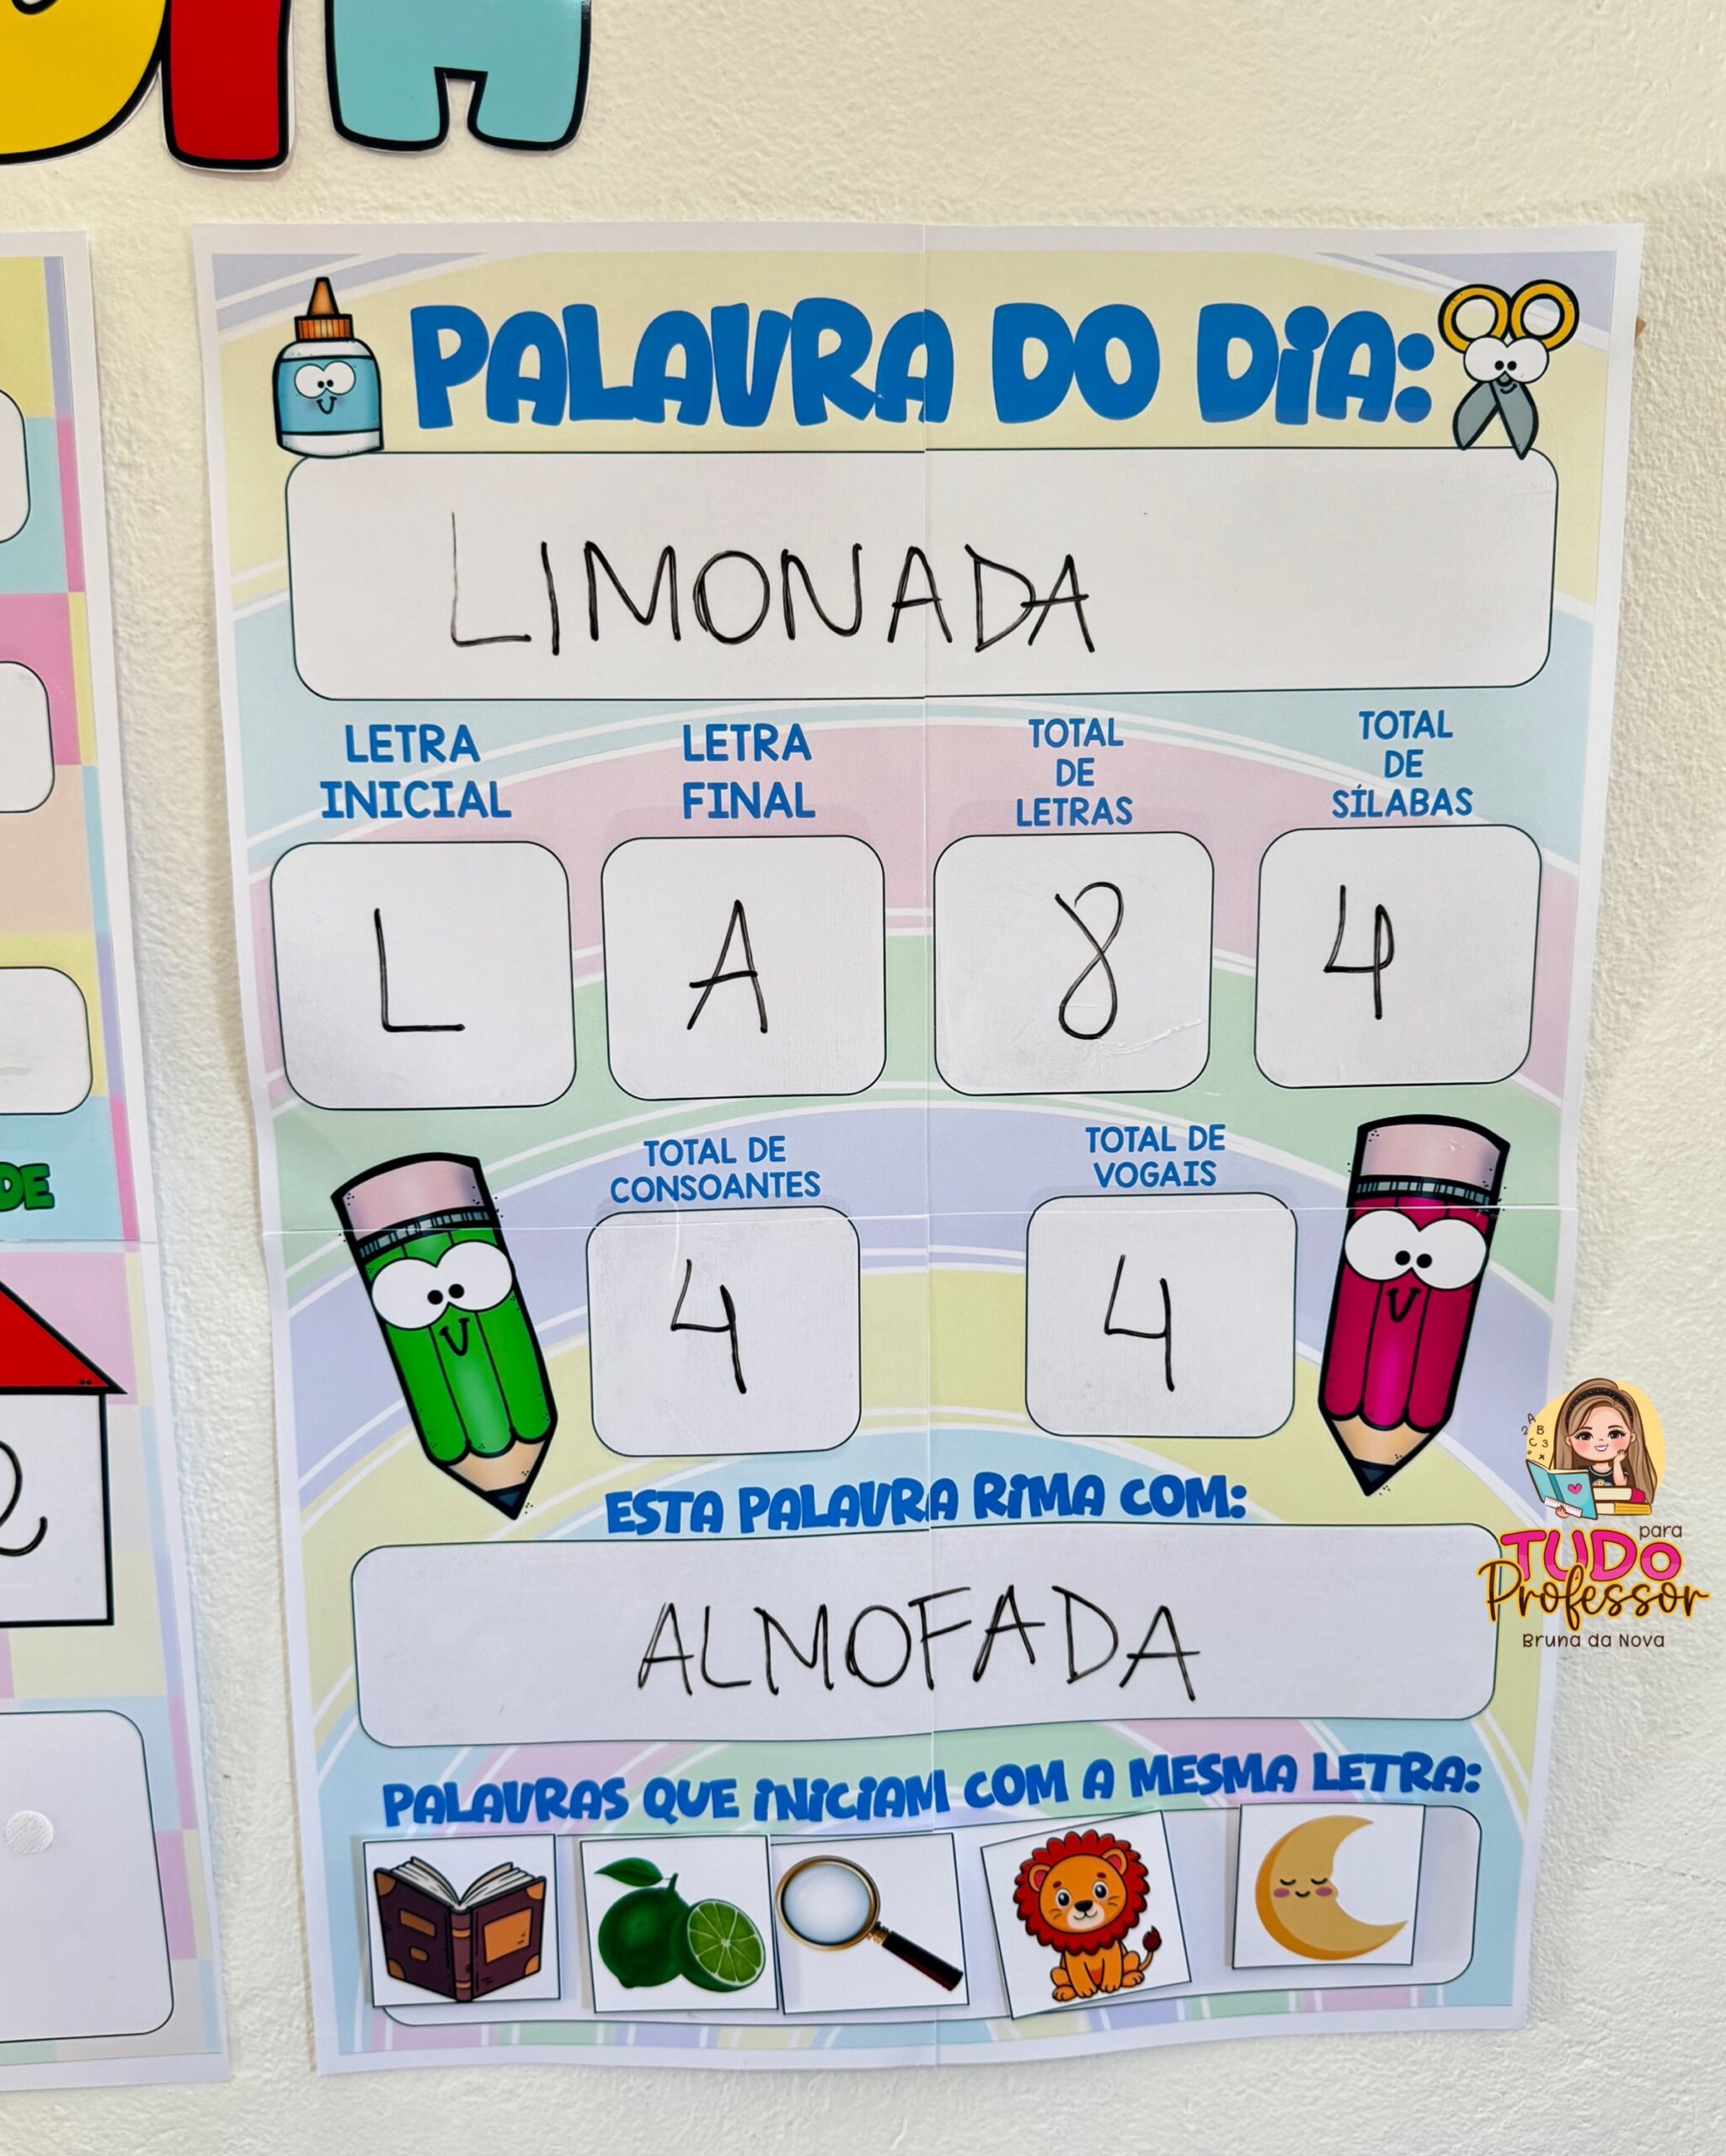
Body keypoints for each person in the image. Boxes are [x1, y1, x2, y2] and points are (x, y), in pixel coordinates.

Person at [1544, 1379, 1658, 1517]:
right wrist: (1565, 1513)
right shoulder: (1579, 1473)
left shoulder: (1620, 1470)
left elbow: (1621, 1484)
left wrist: (1617, 1462)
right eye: (1585, 1436)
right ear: (1569, 1441)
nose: (1601, 1441)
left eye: (1615, 1434)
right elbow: (1574, 1500)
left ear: (1632, 1437)